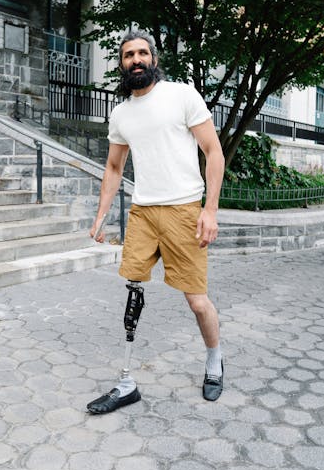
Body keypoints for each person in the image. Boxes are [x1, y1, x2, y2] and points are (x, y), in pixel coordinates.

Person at [87, 29, 225, 414]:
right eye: (128, 54)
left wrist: (210, 209)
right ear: (121, 64)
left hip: (184, 209)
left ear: (154, 59)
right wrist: (100, 215)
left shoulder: (181, 95)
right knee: (134, 289)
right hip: (143, 213)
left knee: (197, 301)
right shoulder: (121, 114)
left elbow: (213, 152)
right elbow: (114, 167)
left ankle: (214, 359)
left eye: (142, 53)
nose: (136, 59)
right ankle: (126, 382)